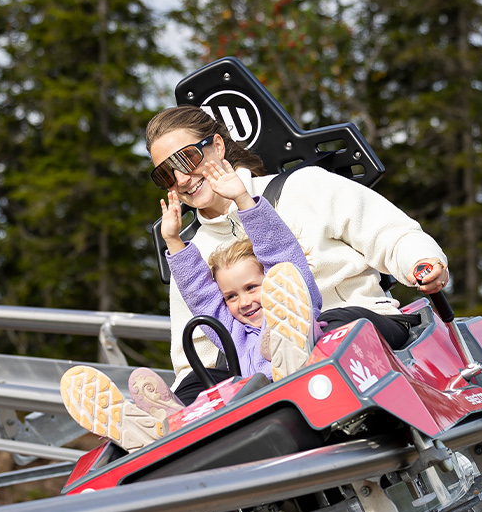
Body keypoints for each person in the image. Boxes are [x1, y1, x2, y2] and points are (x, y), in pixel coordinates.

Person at [144, 106, 450, 404]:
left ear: (218, 146)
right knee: (199, 381)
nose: (181, 179)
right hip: (258, 369)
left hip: (352, 323)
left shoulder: (303, 188)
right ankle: (151, 433)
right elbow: (197, 351)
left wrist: (420, 261)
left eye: (187, 158)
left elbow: (390, 234)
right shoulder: (191, 255)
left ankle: (294, 352)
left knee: (329, 327)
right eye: (166, 175)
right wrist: (192, 389)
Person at [59, 159, 321, 449]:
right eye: (231, 297)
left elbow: (280, 253)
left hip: (307, 375)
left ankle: (292, 354)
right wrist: (172, 240)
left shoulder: (298, 300)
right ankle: (165, 429)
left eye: (251, 288)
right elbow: (203, 296)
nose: (243, 302)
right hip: (261, 409)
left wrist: (243, 199)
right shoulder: (236, 338)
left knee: (287, 319)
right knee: (223, 392)